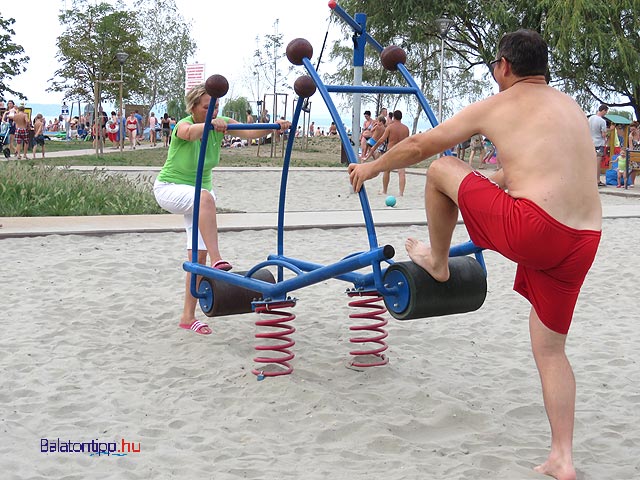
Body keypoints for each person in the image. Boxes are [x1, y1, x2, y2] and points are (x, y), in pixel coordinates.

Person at [349, 29, 601, 480]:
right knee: (550, 350)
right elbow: (552, 167)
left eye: (494, 68)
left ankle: (438, 260)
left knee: (441, 167)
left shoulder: (499, 104)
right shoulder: (570, 107)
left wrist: (371, 166)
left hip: (536, 229)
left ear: (504, 66)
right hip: (584, 240)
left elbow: (422, 145)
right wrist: (500, 180)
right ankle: (562, 457)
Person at [153, 83, 290, 336]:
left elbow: (251, 133)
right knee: (206, 199)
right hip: (171, 188)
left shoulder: (222, 122)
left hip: (200, 195)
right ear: (193, 107)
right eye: (207, 107)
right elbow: (188, 132)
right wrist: (206, 126)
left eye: (216, 107)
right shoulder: (183, 124)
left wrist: (274, 126)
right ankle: (219, 261)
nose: (213, 111)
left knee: (196, 257)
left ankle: (187, 317)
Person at [363, 110, 410, 196]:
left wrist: (374, 147)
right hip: (402, 150)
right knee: (401, 172)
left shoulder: (390, 127)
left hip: (391, 150)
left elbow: (382, 140)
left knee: (387, 171)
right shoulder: (406, 128)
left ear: (394, 117)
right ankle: (401, 193)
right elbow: (407, 142)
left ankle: (385, 191)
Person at [588, 104, 608, 186]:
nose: (606, 114)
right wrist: (606, 138)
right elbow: (603, 134)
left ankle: (589, 179)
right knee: (598, 162)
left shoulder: (591, 118)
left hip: (590, 142)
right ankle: (597, 180)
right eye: (606, 112)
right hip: (599, 143)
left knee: (590, 162)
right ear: (603, 110)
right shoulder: (602, 121)